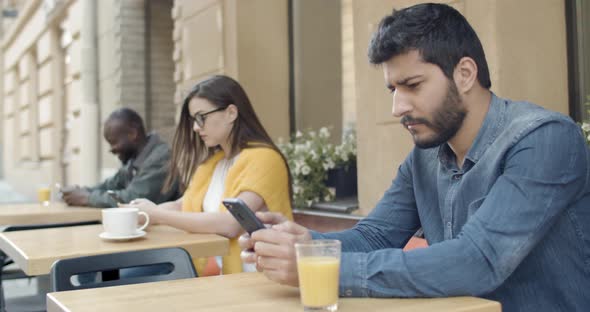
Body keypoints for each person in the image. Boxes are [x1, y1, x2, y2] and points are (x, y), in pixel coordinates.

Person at [239, 3, 590, 311]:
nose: (397, 108)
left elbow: (479, 260)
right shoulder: (427, 155)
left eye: (413, 85)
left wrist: (321, 270)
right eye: (393, 89)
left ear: (465, 74)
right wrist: (301, 245)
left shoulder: (544, 140)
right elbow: (374, 237)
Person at [126, 75, 293, 275]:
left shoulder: (265, 159)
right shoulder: (214, 164)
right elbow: (182, 204)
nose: (196, 127)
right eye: (194, 120)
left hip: (262, 278)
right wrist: (139, 214)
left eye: (201, 117)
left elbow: (231, 224)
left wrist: (157, 215)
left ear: (231, 113)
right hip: (221, 275)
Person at [61, 108, 180, 207]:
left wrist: (87, 198)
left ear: (132, 134)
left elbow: (133, 200)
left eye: (114, 142)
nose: (111, 149)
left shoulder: (161, 158)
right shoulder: (134, 159)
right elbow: (110, 185)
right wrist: (81, 191)